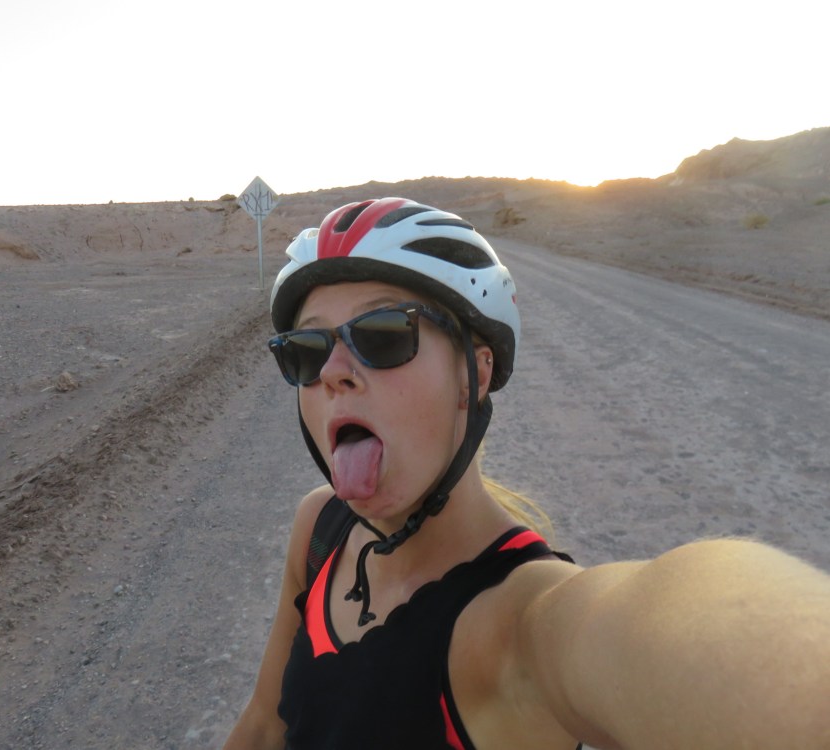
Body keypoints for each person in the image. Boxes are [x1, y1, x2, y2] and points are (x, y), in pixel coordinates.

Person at [223, 197, 830, 749]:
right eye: (306, 350)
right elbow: (264, 725)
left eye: (382, 334)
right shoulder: (320, 526)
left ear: (475, 374)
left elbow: (684, 634)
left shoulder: (518, 621)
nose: (332, 372)